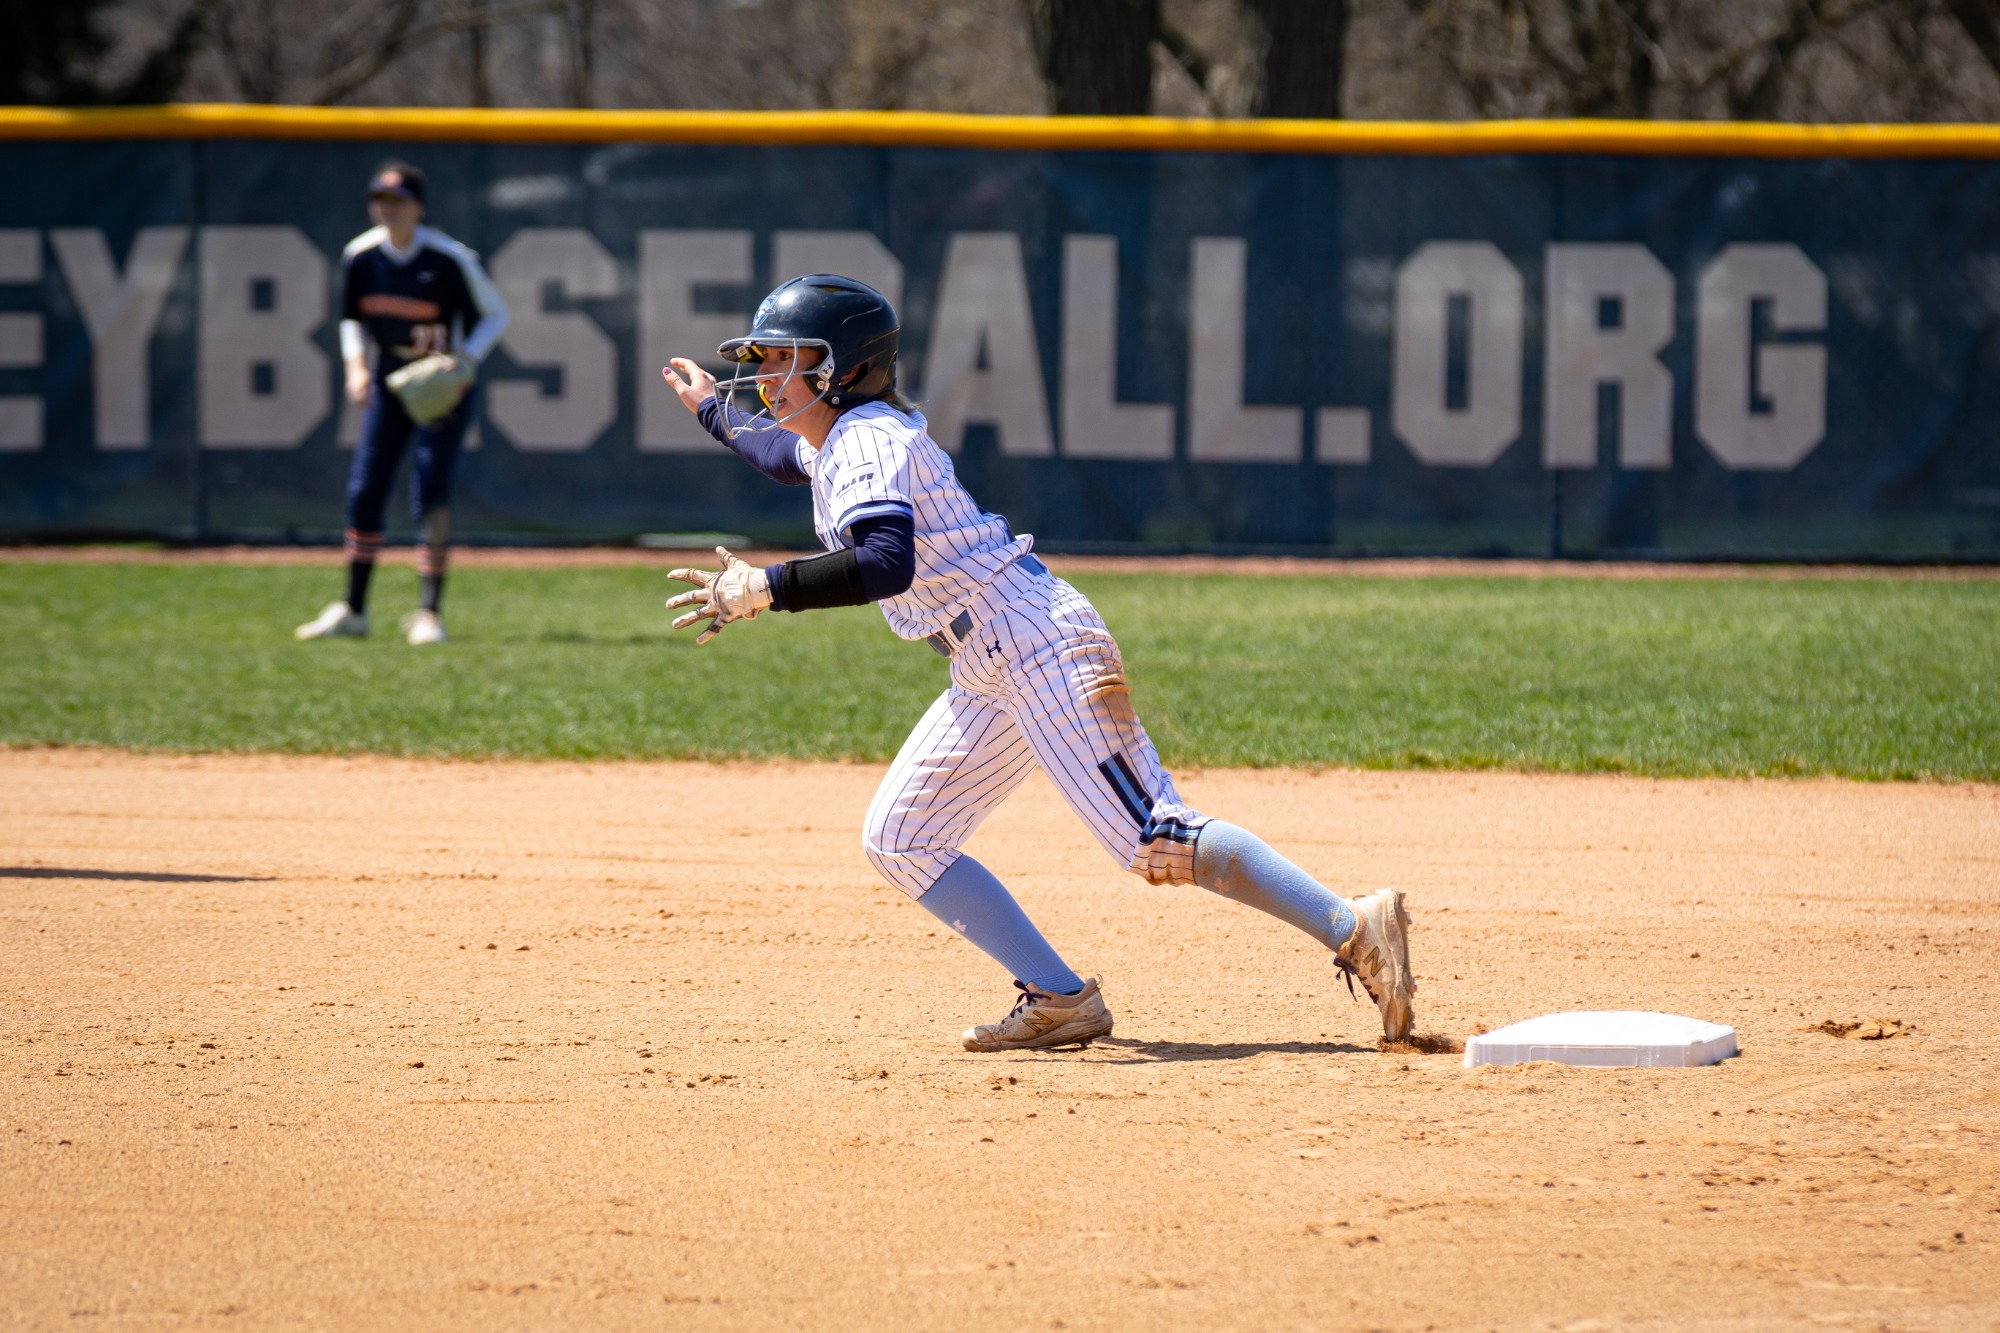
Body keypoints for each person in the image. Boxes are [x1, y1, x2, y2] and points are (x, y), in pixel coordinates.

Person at [659, 274, 1415, 1053]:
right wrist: (715, 409)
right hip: (989, 661)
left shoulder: (868, 439)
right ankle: (1061, 999)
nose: (768, 377)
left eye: (785, 358)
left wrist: (764, 588)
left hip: (1032, 643)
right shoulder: (841, 442)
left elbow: (882, 561)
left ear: (842, 369)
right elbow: (781, 454)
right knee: (902, 834)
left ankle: (1353, 924)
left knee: (1155, 836)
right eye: (763, 359)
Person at [295, 162, 508, 646]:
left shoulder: (448, 256)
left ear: (418, 207)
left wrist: (467, 361)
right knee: (365, 489)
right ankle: (353, 609)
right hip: (391, 379)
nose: (388, 208)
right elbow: (351, 318)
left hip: (439, 381)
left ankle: (429, 614)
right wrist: (355, 366)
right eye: (381, 199)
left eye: (398, 200)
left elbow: (496, 314)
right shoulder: (362, 254)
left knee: (430, 491)